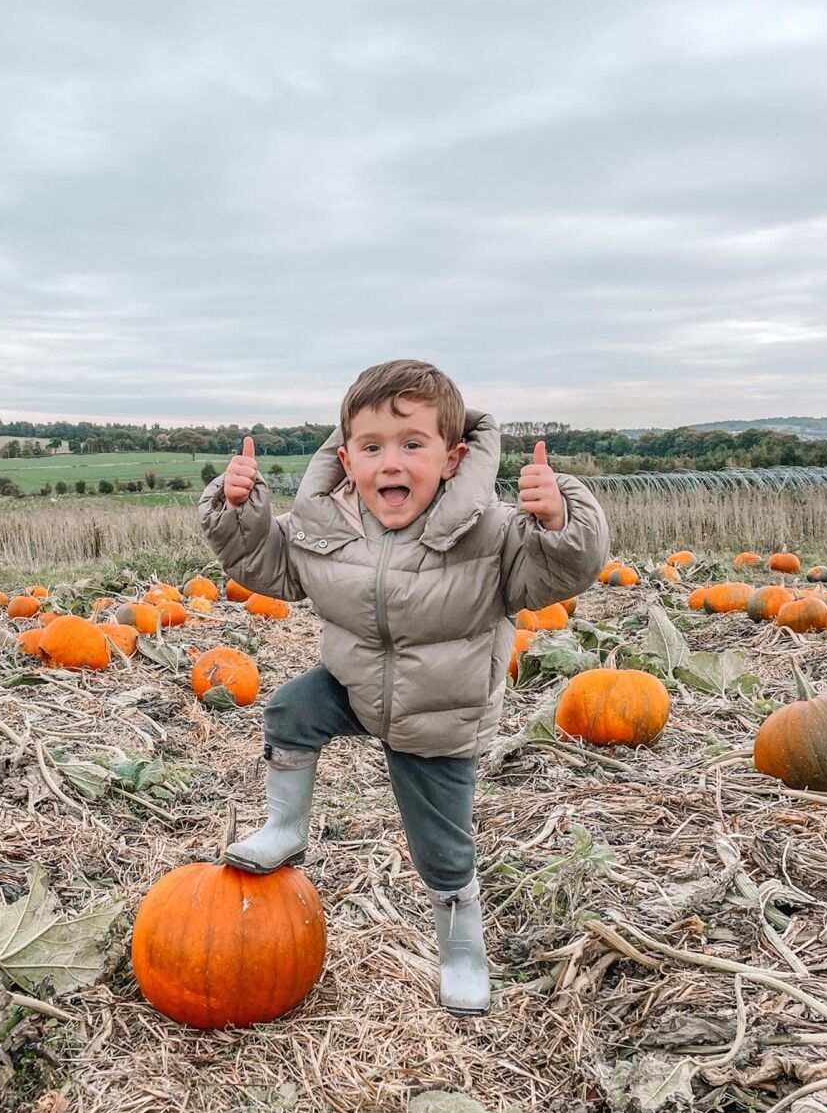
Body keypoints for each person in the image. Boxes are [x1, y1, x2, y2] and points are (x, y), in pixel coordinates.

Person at [198, 359, 610, 1016]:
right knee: (290, 708)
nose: (391, 462)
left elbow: (553, 578)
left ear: (452, 458)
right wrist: (238, 512)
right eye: (373, 447)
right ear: (347, 458)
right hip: (357, 684)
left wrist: (558, 525)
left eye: (412, 444)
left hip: (439, 713)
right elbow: (269, 566)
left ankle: (462, 946)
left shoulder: (492, 533)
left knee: (443, 851)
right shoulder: (327, 526)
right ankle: (286, 824)